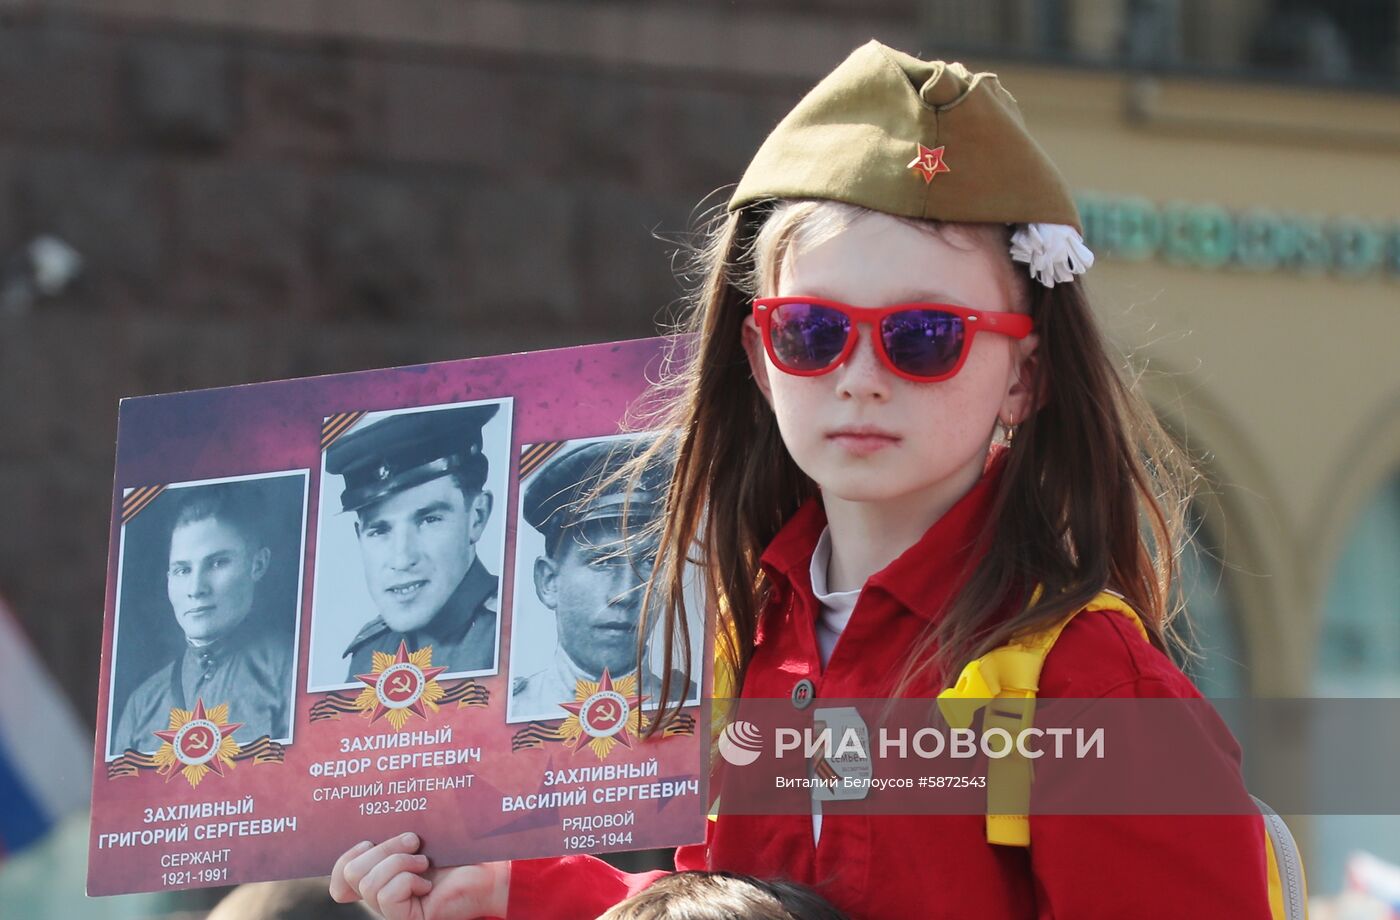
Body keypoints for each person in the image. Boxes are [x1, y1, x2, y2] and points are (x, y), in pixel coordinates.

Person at [329, 42, 1277, 918]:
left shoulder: (1087, 687)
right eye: (813, 332)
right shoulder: (734, 637)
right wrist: (511, 890)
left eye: (925, 337)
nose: (859, 375)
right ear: (759, 353)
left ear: (1023, 378)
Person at [510, 437, 697, 721]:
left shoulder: (697, 706)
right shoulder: (513, 709)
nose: (626, 593)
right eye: (603, 561)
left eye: (649, 562)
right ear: (548, 582)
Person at [112, 483, 292, 754]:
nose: (196, 589)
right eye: (183, 570)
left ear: (257, 564)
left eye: (218, 563)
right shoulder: (143, 703)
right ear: (169, 579)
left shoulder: (289, 668)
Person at [328, 404, 501, 679]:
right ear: (359, 537)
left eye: (429, 520)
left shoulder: (513, 634)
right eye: (379, 531)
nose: (401, 559)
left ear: (477, 518)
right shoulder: (369, 655)